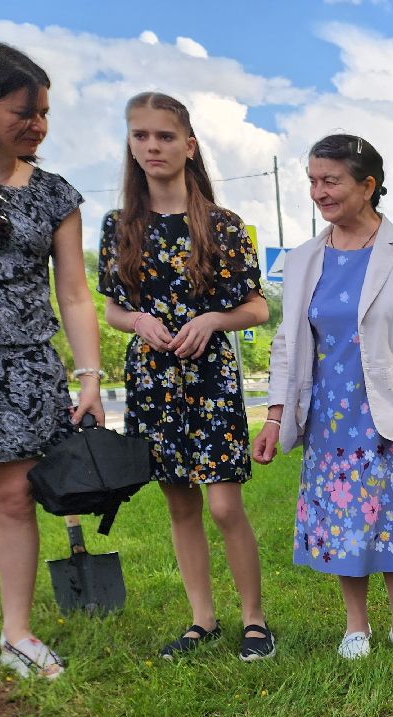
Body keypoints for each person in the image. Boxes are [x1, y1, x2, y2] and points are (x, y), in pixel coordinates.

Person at [253, 134, 393, 661]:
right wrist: (275, 417)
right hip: (329, 414)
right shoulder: (304, 259)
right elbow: (288, 343)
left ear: (367, 186)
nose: (318, 192)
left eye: (330, 181)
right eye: (311, 181)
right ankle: (355, 627)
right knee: (342, 520)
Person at [0, 42, 104, 684]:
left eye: (44, 113)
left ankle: (17, 634)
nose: (37, 124)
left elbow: (75, 292)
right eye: (23, 111)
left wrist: (89, 377)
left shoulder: (56, 193)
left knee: (13, 498)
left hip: (23, 364)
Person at [97, 92, 275, 661]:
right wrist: (139, 322)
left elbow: (257, 309)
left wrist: (211, 320)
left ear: (189, 146)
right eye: (141, 136)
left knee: (224, 505)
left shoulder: (222, 226)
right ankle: (203, 619)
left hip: (210, 379)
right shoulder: (120, 225)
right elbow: (111, 310)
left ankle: (254, 620)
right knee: (180, 505)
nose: (153, 146)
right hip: (152, 380)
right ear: (130, 144)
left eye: (166, 136)